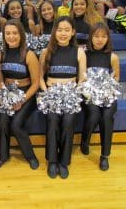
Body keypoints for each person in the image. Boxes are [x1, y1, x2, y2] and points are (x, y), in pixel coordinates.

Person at [39, 16, 86, 179]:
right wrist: (47, 93)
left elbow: (82, 79)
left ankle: (64, 162)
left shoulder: (79, 52)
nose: (63, 33)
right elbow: (40, 79)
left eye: (67, 30)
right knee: (52, 120)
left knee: (68, 121)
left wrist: (74, 93)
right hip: (51, 95)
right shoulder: (46, 52)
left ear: (73, 32)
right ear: (54, 32)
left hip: (71, 96)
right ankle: (52, 161)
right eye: (59, 30)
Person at [0, 19, 40, 171]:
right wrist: (6, 95)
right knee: (3, 122)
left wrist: (22, 99)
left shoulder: (29, 54)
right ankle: (2, 156)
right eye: (7, 33)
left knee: (16, 125)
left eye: (14, 33)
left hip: (27, 95)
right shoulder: (1, 55)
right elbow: (0, 80)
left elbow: (36, 83)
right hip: (7, 93)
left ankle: (30, 156)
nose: (11, 36)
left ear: (21, 35)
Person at [80, 22, 120, 171]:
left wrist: (106, 92)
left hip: (107, 94)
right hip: (88, 93)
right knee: (95, 113)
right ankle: (85, 139)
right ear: (91, 38)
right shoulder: (84, 53)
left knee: (107, 116)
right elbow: (82, 78)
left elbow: (116, 79)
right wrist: (91, 91)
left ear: (108, 39)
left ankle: (105, 156)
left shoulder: (113, 57)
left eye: (103, 36)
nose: (99, 39)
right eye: (96, 36)